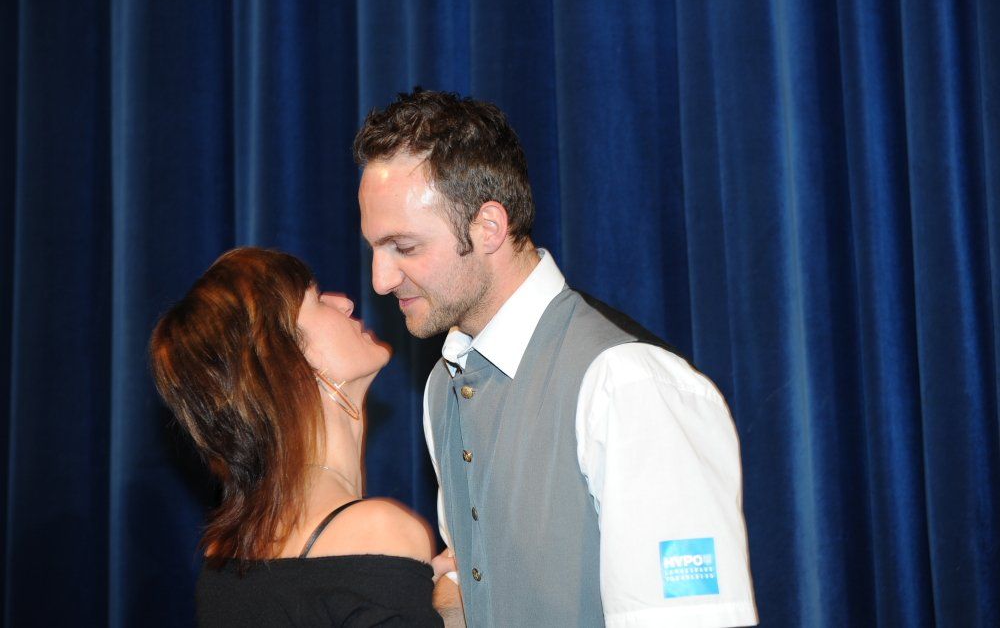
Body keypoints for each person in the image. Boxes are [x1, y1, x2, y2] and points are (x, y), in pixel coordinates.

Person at [355, 90, 759, 627]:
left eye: (404, 247)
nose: (381, 280)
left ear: (489, 227)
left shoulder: (628, 384)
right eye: (374, 248)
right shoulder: (441, 387)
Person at [149, 247, 446, 627]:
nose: (343, 302)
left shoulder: (225, 551)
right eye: (317, 299)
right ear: (288, 363)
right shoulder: (378, 531)